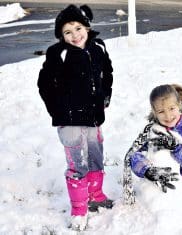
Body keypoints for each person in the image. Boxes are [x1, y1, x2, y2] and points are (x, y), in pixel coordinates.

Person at [37, 4, 113, 231]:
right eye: (67, 32)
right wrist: (57, 111)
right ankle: (79, 209)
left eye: (78, 28)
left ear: (87, 27)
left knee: (96, 157)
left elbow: (107, 73)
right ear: (61, 36)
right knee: (77, 164)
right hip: (69, 121)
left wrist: (105, 98)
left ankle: (96, 194)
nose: (74, 35)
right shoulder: (57, 53)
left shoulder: (98, 46)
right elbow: (45, 86)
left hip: (93, 118)